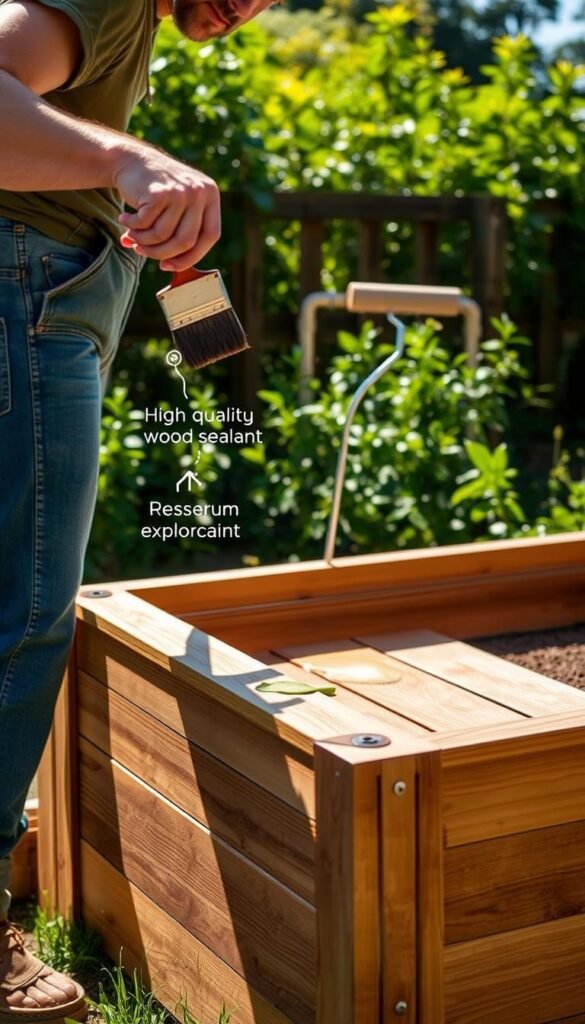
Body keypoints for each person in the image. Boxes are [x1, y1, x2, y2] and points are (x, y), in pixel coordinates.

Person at [0, 0, 277, 1019]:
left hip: (43, 296)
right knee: (23, 618)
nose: (251, 5)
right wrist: (126, 161)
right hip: (23, 305)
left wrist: (128, 196)